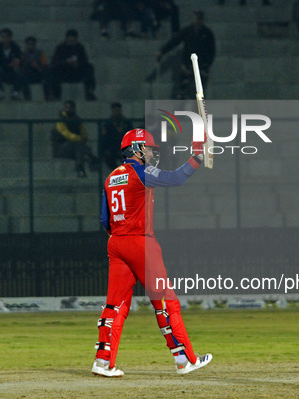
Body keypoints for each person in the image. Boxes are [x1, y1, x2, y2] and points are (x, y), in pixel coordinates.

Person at [91, 128, 212, 377]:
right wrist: (197, 156)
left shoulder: (111, 177)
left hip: (115, 243)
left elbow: (105, 220)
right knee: (166, 302)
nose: (150, 152)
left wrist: (122, 236)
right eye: (147, 148)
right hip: (141, 242)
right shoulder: (141, 172)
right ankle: (184, 359)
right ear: (136, 149)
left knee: (115, 305)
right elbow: (177, 178)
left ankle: (102, 362)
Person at [155, 10, 215, 99]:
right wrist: (162, 51)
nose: (197, 21)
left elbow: (212, 50)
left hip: (202, 64)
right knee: (183, 87)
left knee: (200, 90)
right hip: (188, 63)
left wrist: (207, 64)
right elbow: (174, 41)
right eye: (196, 19)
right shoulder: (187, 31)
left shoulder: (207, 33)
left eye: (199, 19)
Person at [51, 100, 99, 178]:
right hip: (61, 148)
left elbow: (83, 131)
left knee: (79, 147)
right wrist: (79, 138)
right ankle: (89, 158)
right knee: (79, 145)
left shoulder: (77, 119)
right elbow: (66, 134)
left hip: (75, 147)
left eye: (71, 108)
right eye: (68, 108)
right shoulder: (61, 120)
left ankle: (81, 168)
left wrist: (84, 137)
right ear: (65, 108)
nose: (70, 109)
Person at [50, 29, 97, 101]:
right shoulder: (60, 47)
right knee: (53, 69)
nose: (71, 42)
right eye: (69, 40)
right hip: (64, 72)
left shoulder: (80, 47)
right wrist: (66, 62)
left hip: (77, 72)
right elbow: (54, 61)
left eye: (73, 41)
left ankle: (89, 92)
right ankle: (56, 95)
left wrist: (78, 63)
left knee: (89, 67)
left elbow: (85, 61)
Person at [0, 28, 26, 100]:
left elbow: (18, 61)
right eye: (3, 37)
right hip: (2, 71)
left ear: (10, 38)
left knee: (19, 72)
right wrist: (7, 65)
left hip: (12, 72)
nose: (5, 39)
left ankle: (16, 92)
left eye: (7, 37)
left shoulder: (16, 48)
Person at [100, 102, 133, 169]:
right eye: (115, 110)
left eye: (118, 110)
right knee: (109, 158)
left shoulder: (126, 122)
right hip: (112, 147)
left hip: (125, 147)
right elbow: (105, 138)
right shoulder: (108, 123)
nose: (117, 112)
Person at [21, 36, 53, 101]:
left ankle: (48, 95)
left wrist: (38, 66)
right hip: (28, 74)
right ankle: (26, 96)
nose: (30, 46)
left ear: (35, 45)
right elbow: (21, 66)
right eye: (28, 44)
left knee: (48, 71)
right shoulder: (23, 54)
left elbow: (45, 64)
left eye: (32, 44)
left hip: (38, 73)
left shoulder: (40, 53)